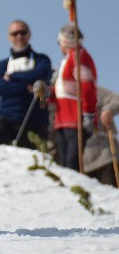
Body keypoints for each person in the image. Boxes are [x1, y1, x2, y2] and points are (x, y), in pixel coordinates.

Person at [0, 20, 52, 148]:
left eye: (23, 32)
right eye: (15, 33)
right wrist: (25, 87)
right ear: (9, 37)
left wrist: (12, 77)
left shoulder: (42, 59)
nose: (19, 36)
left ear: (29, 34)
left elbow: (40, 74)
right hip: (5, 116)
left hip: (34, 119)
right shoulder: (2, 65)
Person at [48, 24, 98, 170]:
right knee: (64, 160)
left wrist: (88, 113)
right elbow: (63, 91)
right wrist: (47, 93)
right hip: (62, 118)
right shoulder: (67, 60)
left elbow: (86, 87)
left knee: (72, 160)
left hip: (75, 118)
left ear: (64, 42)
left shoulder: (79, 57)